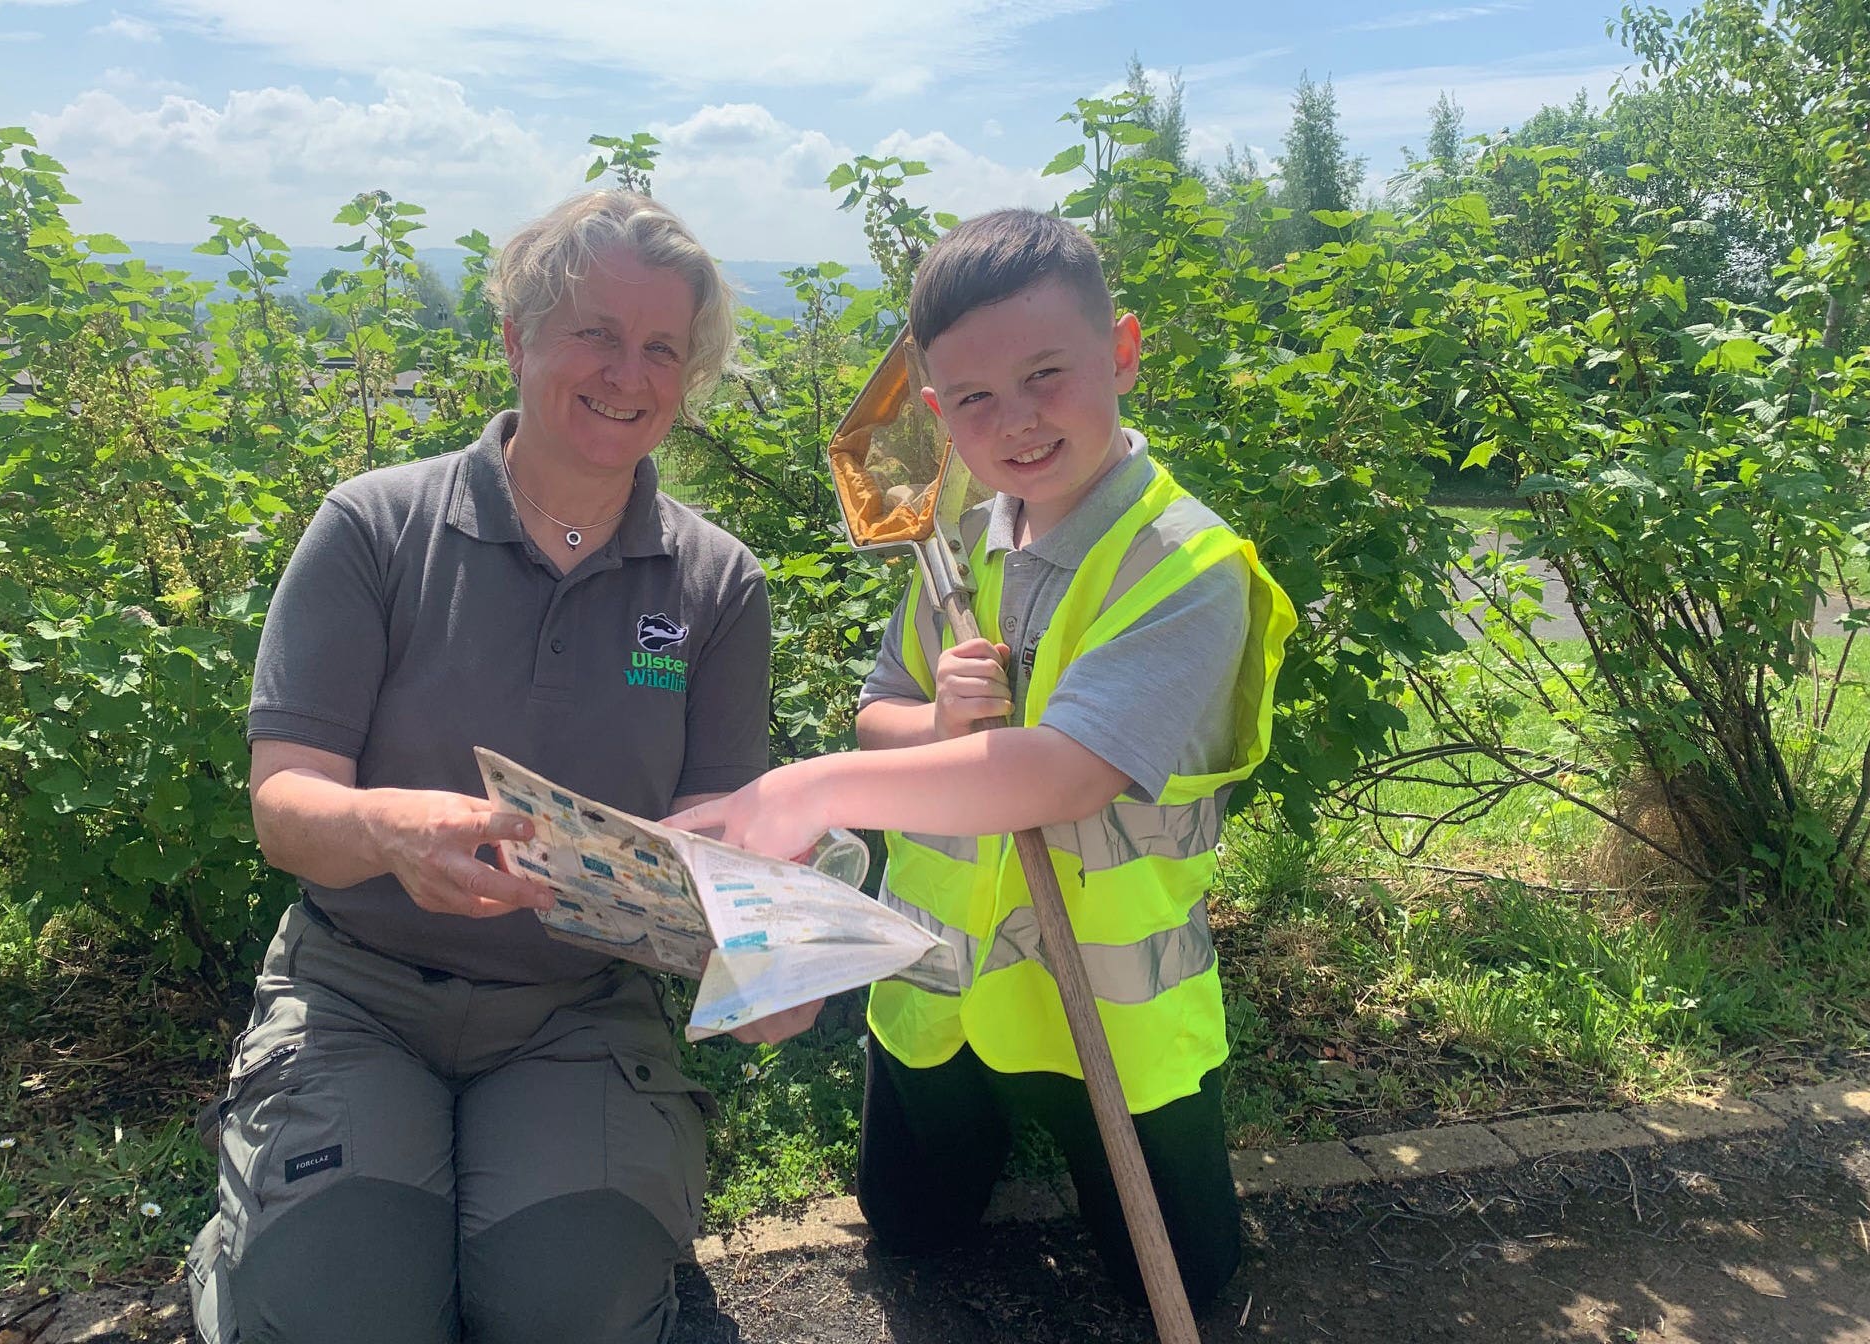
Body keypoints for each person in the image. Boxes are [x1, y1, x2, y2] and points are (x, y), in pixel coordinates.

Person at [188, 190, 818, 1344]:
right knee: (342, 1310)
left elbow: (712, 830)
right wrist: (385, 832)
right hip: (358, 990)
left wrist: (771, 944)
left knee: (564, 1310)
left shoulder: (718, 585)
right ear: (517, 338)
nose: (627, 373)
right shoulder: (374, 529)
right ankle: (261, 1258)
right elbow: (284, 804)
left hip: (583, 1011)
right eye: (595, 332)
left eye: (661, 349)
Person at [668, 208, 1295, 1309]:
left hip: (1107, 1007)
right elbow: (880, 718)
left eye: (1048, 373)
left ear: (1124, 353)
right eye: (973, 398)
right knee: (910, 1229)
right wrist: (940, 724)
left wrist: (803, 785)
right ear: (933, 413)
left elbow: (1062, 773)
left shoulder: (1188, 565)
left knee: (1184, 1284)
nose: (1016, 420)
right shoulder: (949, 541)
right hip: (940, 975)